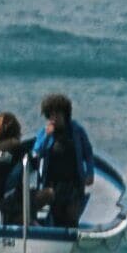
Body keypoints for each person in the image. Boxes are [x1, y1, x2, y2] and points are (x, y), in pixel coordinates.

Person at [31, 92, 95, 231]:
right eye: (50, 115)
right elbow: (36, 151)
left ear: (65, 114)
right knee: (57, 215)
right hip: (54, 183)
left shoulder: (77, 131)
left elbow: (88, 153)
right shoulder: (45, 132)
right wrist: (47, 137)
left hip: (74, 182)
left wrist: (90, 172)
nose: (54, 118)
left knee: (71, 216)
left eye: (57, 114)